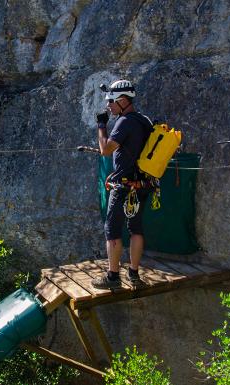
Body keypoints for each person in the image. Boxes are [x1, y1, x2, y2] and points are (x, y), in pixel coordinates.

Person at [92, 79, 153, 289]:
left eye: (112, 101)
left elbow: (105, 150)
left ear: (124, 100)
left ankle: (113, 277)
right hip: (142, 184)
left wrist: (101, 126)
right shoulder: (145, 121)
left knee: (112, 229)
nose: (108, 106)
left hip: (124, 186)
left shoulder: (124, 122)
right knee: (136, 228)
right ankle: (134, 274)